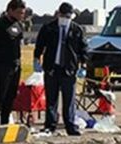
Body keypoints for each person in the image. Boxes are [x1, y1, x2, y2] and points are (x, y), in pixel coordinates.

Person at [33, 2, 88, 136]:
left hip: (69, 69)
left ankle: (70, 125)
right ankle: (50, 125)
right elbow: (39, 45)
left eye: (68, 16)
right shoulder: (48, 28)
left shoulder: (77, 30)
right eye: (63, 15)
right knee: (51, 99)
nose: (65, 18)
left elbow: (83, 49)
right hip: (52, 67)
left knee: (69, 99)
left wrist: (83, 65)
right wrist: (36, 59)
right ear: (58, 14)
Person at [0, 0, 26, 126]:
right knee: (0, 94)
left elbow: (18, 42)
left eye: (23, 13)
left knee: (11, 94)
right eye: (19, 12)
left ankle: (5, 121)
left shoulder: (18, 25)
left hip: (15, 64)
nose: (21, 15)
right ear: (11, 10)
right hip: (2, 64)